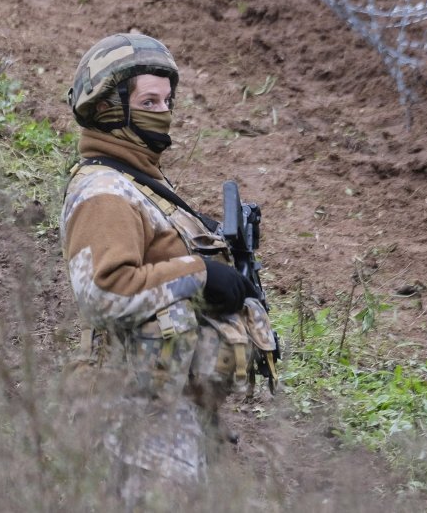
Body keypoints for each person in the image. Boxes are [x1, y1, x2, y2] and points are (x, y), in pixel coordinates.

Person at [60, 32, 277, 506]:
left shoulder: (139, 180)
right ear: (111, 108)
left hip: (169, 403)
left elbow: (156, 258)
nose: (163, 110)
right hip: (136, 414)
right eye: (148, 100)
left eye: (167, 99)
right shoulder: (104, 193)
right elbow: (104, 291)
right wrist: (199, 273)